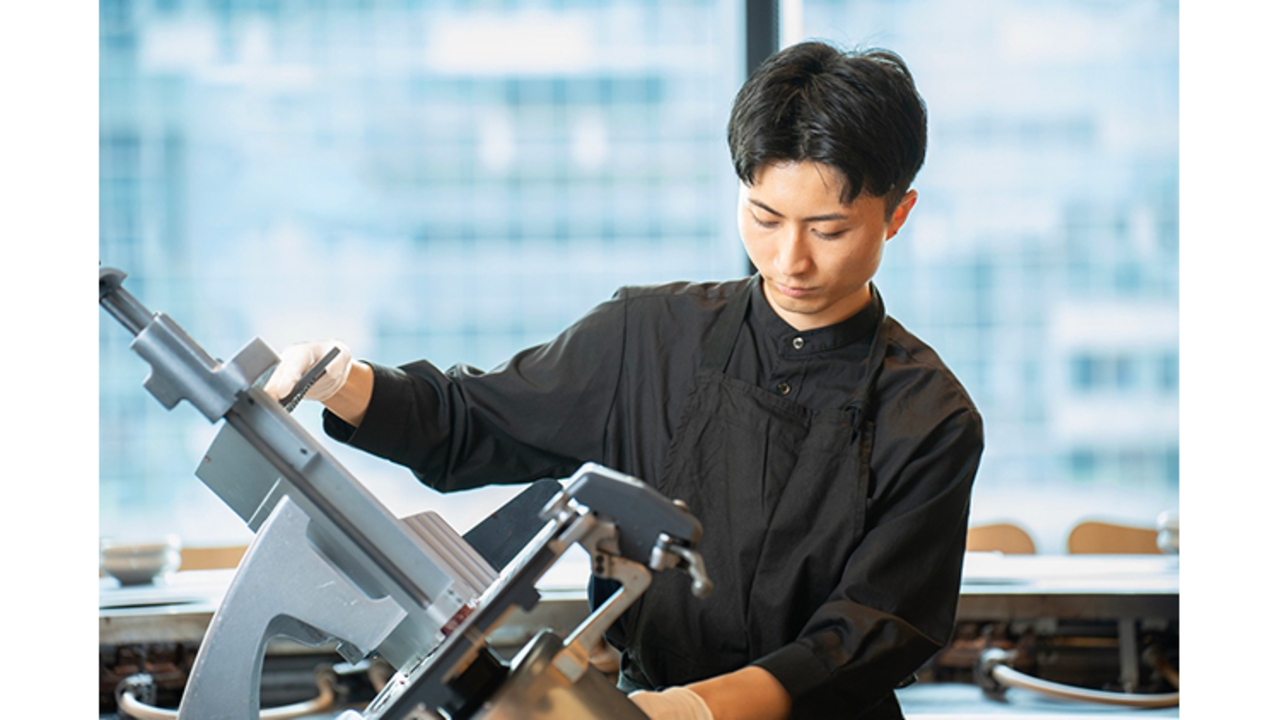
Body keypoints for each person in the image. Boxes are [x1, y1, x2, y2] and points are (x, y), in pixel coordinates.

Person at [265, 41, 983, 720]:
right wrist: (339, 379)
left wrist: (696, 710)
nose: (789, 259)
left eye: (827, 231)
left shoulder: (931, 416)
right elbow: (471, 421)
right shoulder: (648, 335)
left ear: (898, 214)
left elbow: (866, 634)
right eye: (764, 217)